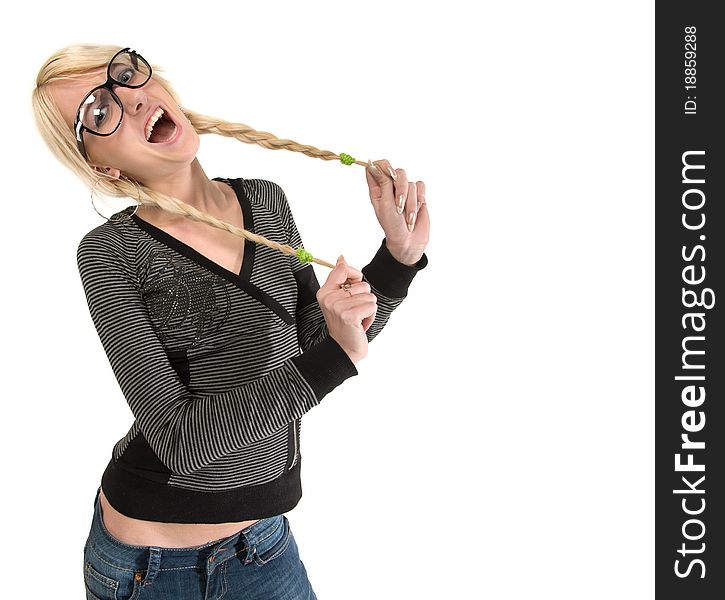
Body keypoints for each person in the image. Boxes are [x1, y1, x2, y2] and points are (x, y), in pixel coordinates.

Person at [32, 44, 429, 599]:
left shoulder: (266, 202)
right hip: (154, 567)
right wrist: (334, 359)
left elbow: (313, 346)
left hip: (263, 543)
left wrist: (396, 261)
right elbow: (177, 437)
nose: (130, 98)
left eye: (125, 75)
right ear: (100, 163)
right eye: (99, 112)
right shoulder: (111, 252)